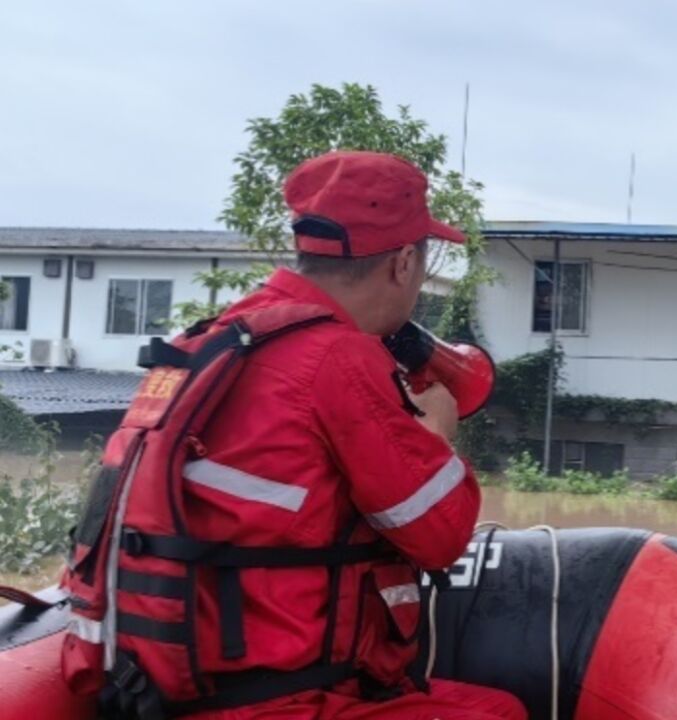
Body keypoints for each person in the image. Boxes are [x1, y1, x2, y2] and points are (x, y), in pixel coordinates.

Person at [84, 151, 526, 720]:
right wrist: (438, 434)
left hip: (153, 685)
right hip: (273, 703)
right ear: (404, 264)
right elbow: (440, 537)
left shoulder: (208, 341)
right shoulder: (336, 359)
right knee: (500, 714)